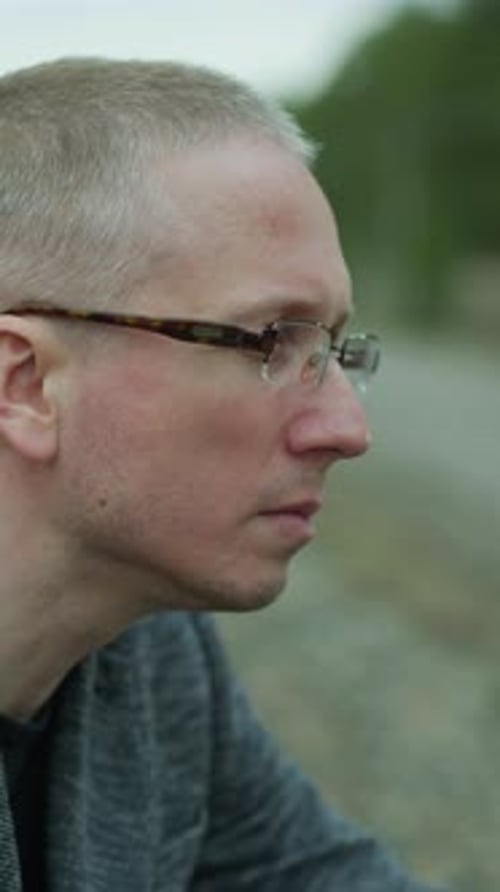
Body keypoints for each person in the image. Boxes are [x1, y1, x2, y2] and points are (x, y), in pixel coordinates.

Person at [0, 57, 444, 892]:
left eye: (335, 349)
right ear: (25, 383)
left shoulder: (145, 652)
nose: (348, 430)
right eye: (272, 342)